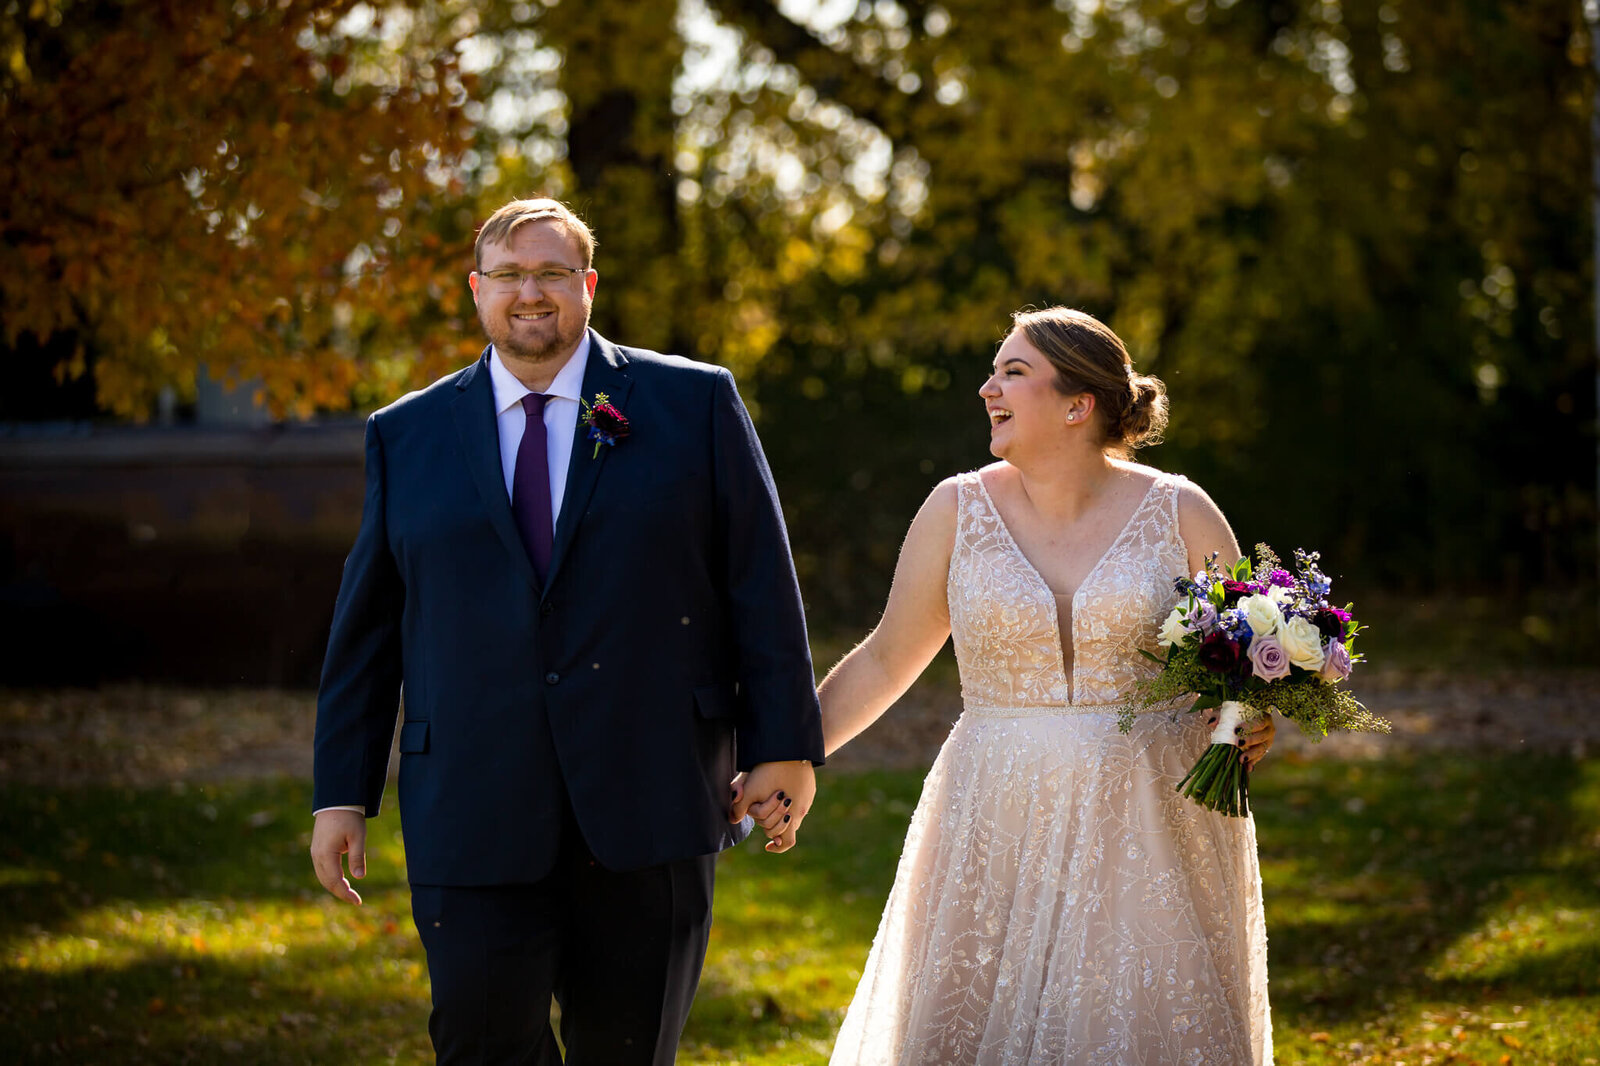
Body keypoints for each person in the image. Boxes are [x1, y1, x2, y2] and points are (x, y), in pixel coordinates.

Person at [308, 197, 824, 1066]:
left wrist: (784, 745)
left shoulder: (691, 403)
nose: (530, 293)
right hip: (471, 804)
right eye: (508, 275)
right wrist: (341, 792)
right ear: (478, 292)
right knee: (479, 1041)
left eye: (551, 273)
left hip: (650, 793)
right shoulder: (406, 434)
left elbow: (760, 587)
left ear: (587, 286)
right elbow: (369, 630)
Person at [801, 306, 1275, 1063]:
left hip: (1151, 821)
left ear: (1077, 404)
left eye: (1012, 372)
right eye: (994, 372)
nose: (987, 389)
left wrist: (1245, 720)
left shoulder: (1180, 511)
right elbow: (889, 658)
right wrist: (793, 755)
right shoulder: (956, 509)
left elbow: (1248, 659)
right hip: (993, 813)